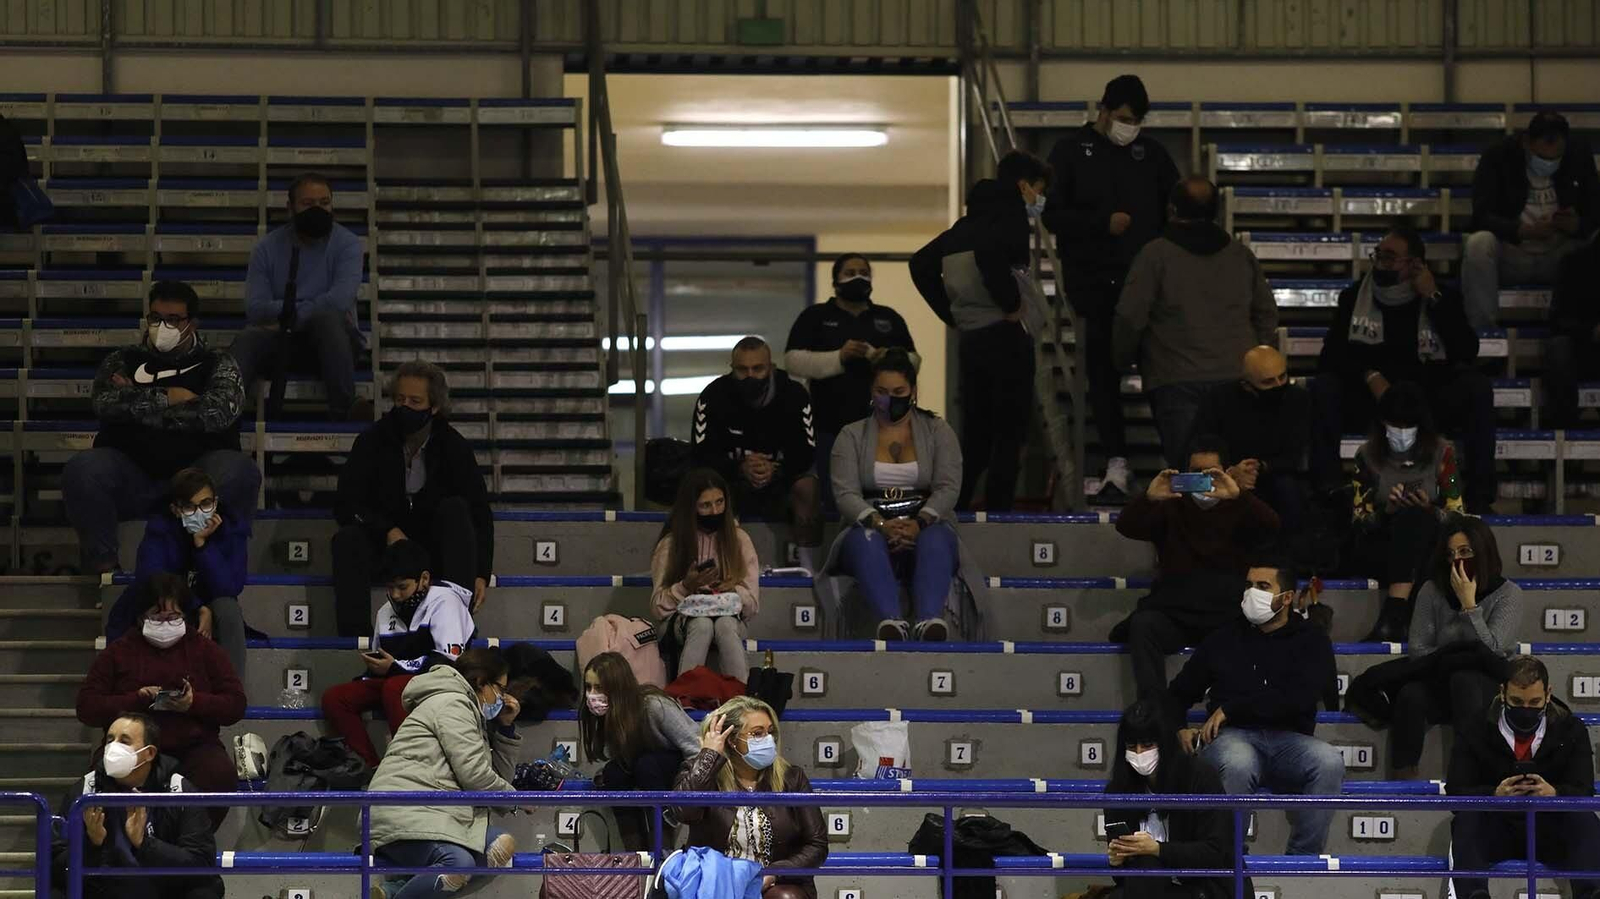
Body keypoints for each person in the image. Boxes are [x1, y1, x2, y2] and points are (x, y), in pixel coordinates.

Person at [1043, 74, 1182, 497]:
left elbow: (1176, 209)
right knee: (1103, 375)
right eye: (1123, 118)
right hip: (1094, 283)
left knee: (1165, 373)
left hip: (1147, 286)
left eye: (1137, 120)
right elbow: (1052, 216)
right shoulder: (1069, 151)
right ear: (1102, 111)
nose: (1129, 127)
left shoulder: (1152, 155)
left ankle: (1181, 466)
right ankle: (1116, 463)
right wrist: (1100, 224)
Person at [63, 280, 259, 574]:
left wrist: (137, 403)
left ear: (191, 324)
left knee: (240, 471)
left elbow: (217, 412)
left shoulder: (218, 362)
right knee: (83, 469)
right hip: (133, 476)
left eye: (173, 319)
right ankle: (104, 572)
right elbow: (104, 403)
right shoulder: (122, 359)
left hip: (197, 478)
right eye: (155, 318)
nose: (162, 326)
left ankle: (214, 566)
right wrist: (171, 397)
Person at [1167, 557, 1343, 856]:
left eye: (1262, 586)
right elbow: (1177, 693)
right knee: (1238, 761)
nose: (1252, 593)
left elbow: (1297, 698)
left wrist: (1231, 708)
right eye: (1249, 585)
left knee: (1329, 762)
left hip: (1289, 740)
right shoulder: (1224, 637)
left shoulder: (1311, 639)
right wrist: (1178, 726)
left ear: (1286, 598)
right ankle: (1228, 857)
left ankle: (1302, 861)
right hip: (1232, 738)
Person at [1312, 226, 1494, 511]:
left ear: (1415, 264)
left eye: (1390, 257)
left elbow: (1466, 351)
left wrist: (1432, 297)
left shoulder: (1441, 297)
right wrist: (1370, 375)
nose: (1380, 263)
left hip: (1427, 400)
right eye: (1378, 256)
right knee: (1323, 387)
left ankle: (1481, 498)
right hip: (1374, 400)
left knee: (1477, 386)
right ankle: (1329, 493)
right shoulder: (1354, 297)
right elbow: (1330, 357)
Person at [909, 150, 1050, 511]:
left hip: (972, 339)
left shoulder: (959, 231)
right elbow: (991, 258)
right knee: (1009, 432)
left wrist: (950, 314)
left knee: (976, 432)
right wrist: (1010, 303)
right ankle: (1000, 513)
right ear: (1021, 188)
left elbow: (919, 264)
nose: (1039, 199)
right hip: (1004, 338)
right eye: (1038, 190)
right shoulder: (1009, 221)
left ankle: (956, 506)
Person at [1113, 176, 1279, 468]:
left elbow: (1130, 316)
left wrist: (1121, 360)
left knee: (1191, 476)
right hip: (1236, 378)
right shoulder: (1240, 254)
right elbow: (1266, 314)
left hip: (1175, 378)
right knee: (1236, 475)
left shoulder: (1155, 255)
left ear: (1172, 210)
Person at [1112, 434, 1279, 699]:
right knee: (1144, 625)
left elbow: (1272, 527)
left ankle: (1233, 710)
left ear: (1225, 472)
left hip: (1224, 616)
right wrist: (1148, 497)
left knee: (1254, 632)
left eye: (1210, 472)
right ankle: (1154, 711)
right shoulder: (1172, 506)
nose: (1203, 478)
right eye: (1195, 472)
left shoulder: (1240, 506)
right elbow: (1126, 526)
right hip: (1176, 614)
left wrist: (1239, 495)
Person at [333, 361, 492, 638]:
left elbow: (479, 512)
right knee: (347, 539)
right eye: (400, 399)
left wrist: (481, 572)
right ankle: (354, 638)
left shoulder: (454, 447)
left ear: (434, 406)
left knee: (455, 510)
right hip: (384, 546)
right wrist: (386, 530)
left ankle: (454, 630)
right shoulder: (371, 441)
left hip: (431, 551)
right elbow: (347, 503)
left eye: (415, 401)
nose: (405, 406)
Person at [823, 351, 973, 642]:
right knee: (864, 540)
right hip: (868, 526)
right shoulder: (850, 435)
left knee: (937, 538)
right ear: (870, 392)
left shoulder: (938, 431)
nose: (888, 399)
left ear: (913, 391)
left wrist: (920, 523)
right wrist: (879, 523)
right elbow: (844, 493)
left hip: (926, 524)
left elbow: (949, 487)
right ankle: (891, 621)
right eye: (881, 392)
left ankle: (929, 620)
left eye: (898, 392)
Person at [76, 573, 244, 829]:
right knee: (105, 773)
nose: (165, 623)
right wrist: (135, 700)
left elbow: (235, 704)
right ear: (140, 617)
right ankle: (120, 848)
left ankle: (190, 843)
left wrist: (194, 703)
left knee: (218, 774)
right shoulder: (118, 652)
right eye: (156, 617)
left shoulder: (206, 651)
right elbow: (87, 707)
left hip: (194, 747)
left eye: (173, 617)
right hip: (133, 747)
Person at [369, 648, 520, 899]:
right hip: (402, 810)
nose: (503, 698)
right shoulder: (452, 703)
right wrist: (516, 800)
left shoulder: (470, 712)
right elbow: (475, 777)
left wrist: (505, 729)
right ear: (482, 682)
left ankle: (394, 891)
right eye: (501, 689)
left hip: (438, 813)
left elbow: (496, 778)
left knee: (500, 848)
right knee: (457, 864)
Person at [1445, 655, 1600, 899]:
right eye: (1517, 701)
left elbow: (1584, 791)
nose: (1525, 710)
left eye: (1535, 702)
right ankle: (1474, 895)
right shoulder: (1474, 727)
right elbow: (1456, 792)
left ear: (1548, 694)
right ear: (1502, 692)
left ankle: (1591, 894)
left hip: (1549, 828)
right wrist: (1493, 795)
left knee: (1585, 820)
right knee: (1467, 820)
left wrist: (1555, 794)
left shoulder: (1571, 729)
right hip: (1495, 827)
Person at [320, 539, 477, 769]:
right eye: (390, 587)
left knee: (394, 687)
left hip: (443, 681)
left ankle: (410, 767)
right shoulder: (386, 611)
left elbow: (449, 662)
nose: (396, 595)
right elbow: (383, 659)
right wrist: (373, 669)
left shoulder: (446, 601)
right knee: (336, 697)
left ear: (423, 579)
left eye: (402, 587)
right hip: (394, 678)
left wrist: (395, 668)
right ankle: (369, 768)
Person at [1386, 515, 1521, 779]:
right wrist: (1454, 656)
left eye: (1465, 551)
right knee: (1411, 694)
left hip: (1486, 685)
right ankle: (1404, 779)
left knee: (1465, 680)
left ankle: (1468, 775)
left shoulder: (1508, 594)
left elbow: (1494, 650)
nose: (1457, 560)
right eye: (1451, 554)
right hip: (1439, 678)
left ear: (1483, 552)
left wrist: (1469, 606)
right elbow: (1419, 649)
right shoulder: (1432, 590)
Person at [783, 253, 919, 506]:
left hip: (883, 427)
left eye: (863, 272)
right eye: (850, 272)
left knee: (880, 497)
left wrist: (886, 358)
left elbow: (914, 361)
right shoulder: (815, 316)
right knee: (833, 498)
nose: (858, 277)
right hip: (829, 427)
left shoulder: (888, 317)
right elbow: (793, 361)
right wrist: (839, 357)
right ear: (836, 281)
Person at [235, 172, 366, 418]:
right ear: (290, 208)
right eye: (308, 204)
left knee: (326, 320)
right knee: (247, 338)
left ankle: (345, 410)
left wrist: (287, 317)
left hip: (334, 344)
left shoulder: (347, 244)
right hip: (283, 344)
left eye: (324, 203)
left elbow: (338, 302)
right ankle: (222, 413)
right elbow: (255, 308)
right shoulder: (267, 248)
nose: (318, 209)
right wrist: (301, 313)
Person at [52, 713, 222, 899]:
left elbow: (201, 863)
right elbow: (55, 866)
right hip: (104, 890)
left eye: (124, 741)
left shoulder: (178, 790)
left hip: (163, 890)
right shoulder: (86, 790)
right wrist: (91, 844)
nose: (113, 747)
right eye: (110, 740)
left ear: (149, 753)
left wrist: (145, 844)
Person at [674, 696, 828, 899]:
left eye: (770, 732)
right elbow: (683, 812)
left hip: (774, 883)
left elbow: (817, 844)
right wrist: (709, 756)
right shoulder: (701, 772)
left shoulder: (792, 778)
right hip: (717, 881)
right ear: (731, 740)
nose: (768, 739)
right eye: (757, 733)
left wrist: (774, 873)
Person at [103, 468, 248, 679]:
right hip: (171, 603)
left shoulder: (232, 529)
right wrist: (198, 607)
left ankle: (232, 696)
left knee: (228, 607)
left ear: (216, 502)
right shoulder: (160, 529)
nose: (200, 512)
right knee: (143, 601)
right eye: (190, 507)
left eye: (206, 504)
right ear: (175, 509)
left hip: (211, 606)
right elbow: (152, 578)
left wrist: (202, 546)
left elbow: (229, 587)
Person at [1462, 110, 1599, 331]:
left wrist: (1577, 225)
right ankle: (1483, 336)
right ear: (1526, 142)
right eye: (1543, 157)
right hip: (1513, 251)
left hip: (1561, 253)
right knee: (1478, 244)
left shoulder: (1579, 154)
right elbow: (1481, 216)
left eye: (1556, 158)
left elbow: (1595, 211)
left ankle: (1578, 333)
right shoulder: (1498, 155)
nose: (1550, 163)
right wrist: (1523, 231)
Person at [1346, 382, 1463, 643]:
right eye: (1395, 426)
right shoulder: (1366, 456)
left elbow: (1457, 513)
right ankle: (1409, 625)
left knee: (1417, 519)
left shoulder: (1444, 454)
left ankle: (1393, 617)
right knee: (1411, 523)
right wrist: (1387, 510)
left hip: (1429, 543)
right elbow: (1359, 520)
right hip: (1381, 545)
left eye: (1407, 427)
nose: (1401, 433)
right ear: (1382, 424)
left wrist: (1431, 510)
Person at [691, 336, 821, 562]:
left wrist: (775, 469)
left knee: (808, 486)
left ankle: (807, 567)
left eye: (757, 368)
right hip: (732, 480)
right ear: (732, 369)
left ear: (771, 367)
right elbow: (701, 455)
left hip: (782, 479)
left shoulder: (795, 396)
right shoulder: (712, 397)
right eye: (742, 369)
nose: (750, 376)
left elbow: (806, 453)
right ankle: (714, 564)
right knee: (705, 485)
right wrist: (740, 468)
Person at [1102, 698, 1241, 899]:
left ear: (1165, 744)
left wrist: (1158, 849)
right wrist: (1117, 861)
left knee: (1148, 865)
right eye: (1132, 746)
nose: (1139, 753)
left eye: (1147, 744)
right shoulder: (1117, 791)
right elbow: (1123, 877)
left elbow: (1215, 852)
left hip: (1205, 887)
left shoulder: (1200, 777)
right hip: (1150, 888)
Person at [581, 651, 702, 849]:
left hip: (677, 768)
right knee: (614, 773)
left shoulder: (654, 705)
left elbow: (696, 748)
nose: (592, 694)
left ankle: (663, 849)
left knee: (647, 764)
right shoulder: (605, 715)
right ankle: (634, 855)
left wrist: (689, 793)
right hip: (643, 768)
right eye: (588, 687)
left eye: (599, 687)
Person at [651, 468, 759, 683]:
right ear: (691, 507)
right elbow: (657, 607)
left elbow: (753, 604)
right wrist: (686, 586)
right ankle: (686, 697)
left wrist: (731, 589)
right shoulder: (671, 544)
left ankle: (741, 700)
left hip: (729, 616)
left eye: (720, 502)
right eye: (705, 505)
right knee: (702, 624)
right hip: (683, 620)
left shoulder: (740, 540)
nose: (714, 511)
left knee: (725, 624)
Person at [1192, 346, 1312, 533]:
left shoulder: (1298, 399)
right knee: (1200, 486)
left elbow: (1294, 453)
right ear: (1246, 385)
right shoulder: (1218, 400)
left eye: (1282, 377)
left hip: (1274, 473)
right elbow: (1201, 447)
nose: (1279, 385)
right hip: (1224, 474)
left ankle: (1290, 556)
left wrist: (1259, 467)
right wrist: (1231, 472)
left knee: (1287, 488)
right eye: (1268, 382)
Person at [1546, 236, 1600, 428]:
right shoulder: (1575, 262)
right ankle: (1565, 433)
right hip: (1582, 348)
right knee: (1558, 348)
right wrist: (1592, 331)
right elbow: (1557, 320)